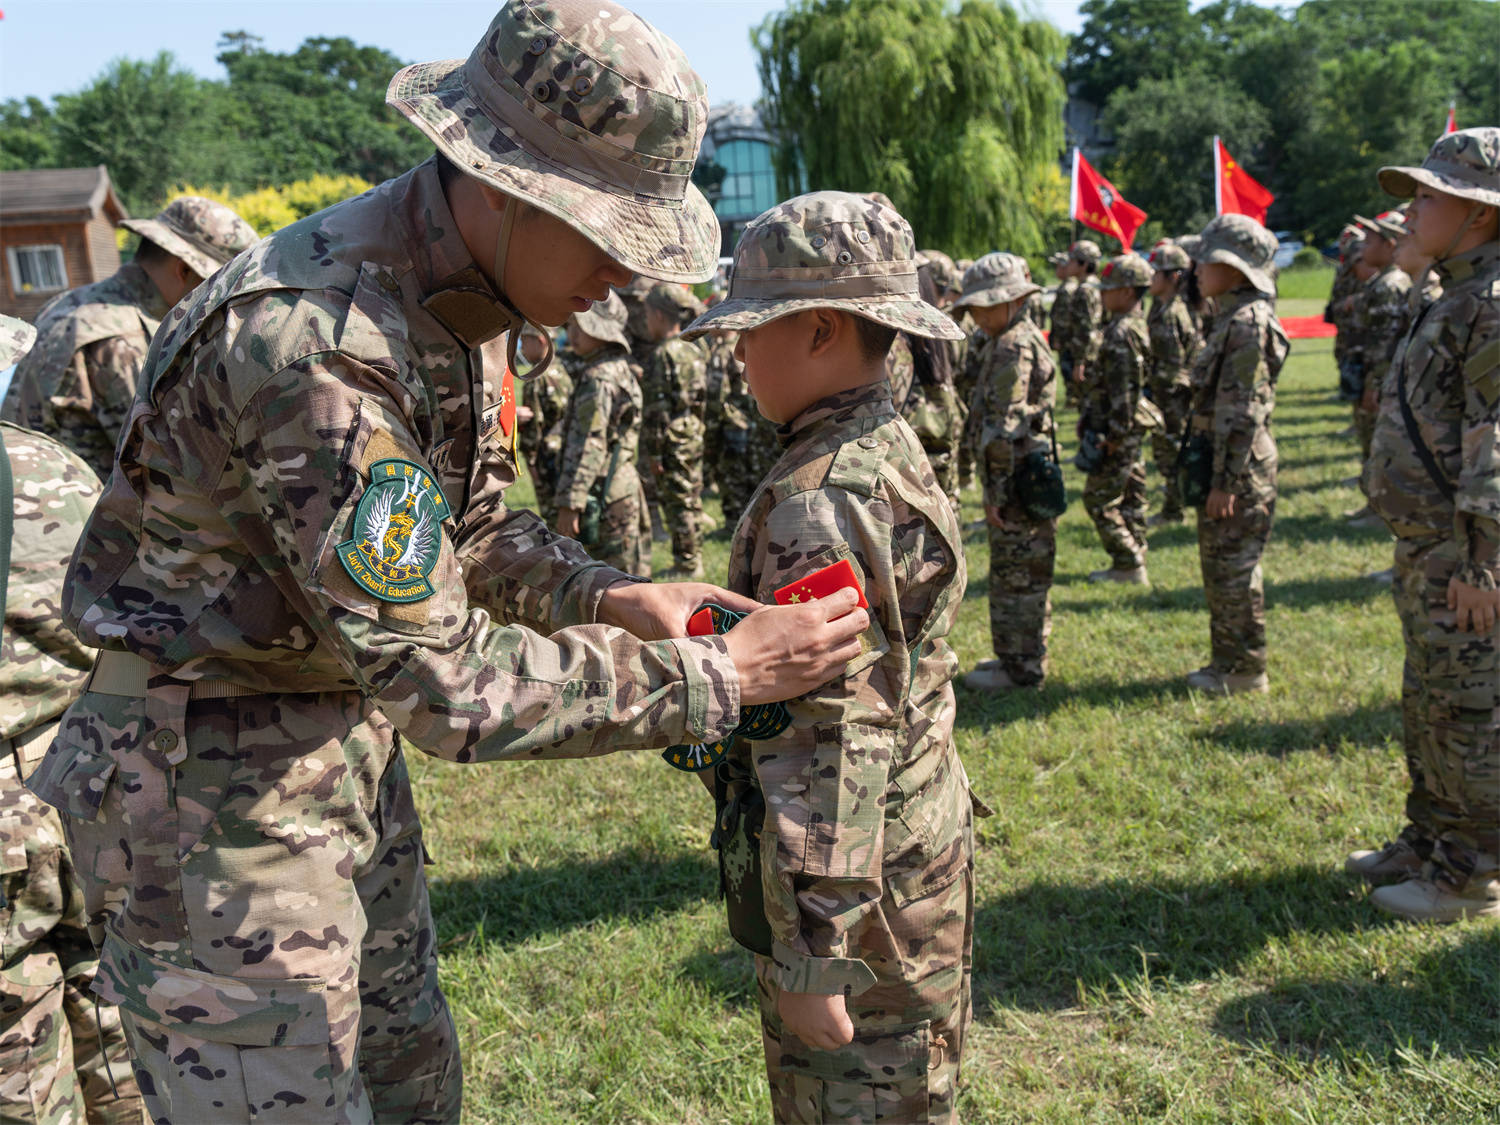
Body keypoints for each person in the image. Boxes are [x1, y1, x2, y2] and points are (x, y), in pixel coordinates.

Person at [22, 5, 871, 1121]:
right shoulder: (321, 345)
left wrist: (613, 593)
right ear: (505, 183)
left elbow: (462, 531)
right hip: (204, 804)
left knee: (411, 1088)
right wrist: (725, 679)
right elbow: (445, 684)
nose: (620, 276)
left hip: (328, 751)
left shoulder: (461, 304)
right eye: (607, 232)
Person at [681, 190, 977, 1124]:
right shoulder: (884, 440)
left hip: (859, 894)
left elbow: (836, 730)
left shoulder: (818, 499)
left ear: (818, 331)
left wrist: (815, 946)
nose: (736, 352)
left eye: (753, 328)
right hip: (907, 847)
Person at [1352, 126, 1499, 922]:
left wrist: (1484, 562)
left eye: (1430, 196)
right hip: (1428, 543)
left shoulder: (1492, 305)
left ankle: (1473, 873)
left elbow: (1496, 437)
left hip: (1467, 552)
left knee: (1472, 710)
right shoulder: (1451, 291)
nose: (1411, 210)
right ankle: (1431, 838)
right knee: (1430, 699)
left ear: (1479, 213)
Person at [0, 316, 145, 1124]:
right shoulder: (43, 469)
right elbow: (113, 626)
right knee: (120, 1021)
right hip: (83, 791)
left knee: (19, 1065)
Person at [1, 197, 258, 478]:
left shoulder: (70, 302)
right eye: (217, 287)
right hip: (78, 509)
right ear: (184, 271)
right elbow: (170, 467)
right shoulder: (123, 340)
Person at [1183, 214, 1288, 696]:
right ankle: (1229, 662)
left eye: (1210, 257)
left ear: (1237, 268)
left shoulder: (1247, 324)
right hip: (1228, 463)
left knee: (1235, 571)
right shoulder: (1230, 317)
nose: (1197, 265)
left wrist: (1226, 481)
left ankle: (1245, 669)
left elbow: (1242, 412)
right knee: (1221, 568)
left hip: (1239, 471)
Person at [953, 253, 1059, 691]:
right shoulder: (1014, 337)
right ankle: (1023, 655)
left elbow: (1004, 426)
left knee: (1016, 575)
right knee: (1027, 571)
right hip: (1026, 473)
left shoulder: (1012, 346)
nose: (975, 315)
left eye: (982, 305)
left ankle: (1020, 668)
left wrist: (995, 492)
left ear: (1010, 300)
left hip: (1016, 479)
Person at [553, 293, 649, 575]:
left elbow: (589, 444)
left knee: (614, 583)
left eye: (577, 326)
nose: (571, 333)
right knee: (632, 576)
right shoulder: (619, 369)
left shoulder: (599, 378)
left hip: (606, 495)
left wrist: (571, 502)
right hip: (622, 487)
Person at [1082, 254, 1154, 585]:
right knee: (1131, 491)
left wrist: (1114, 435)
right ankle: (1136, 549)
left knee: (1099, 499)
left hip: (1119, 429)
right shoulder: (1127, 326)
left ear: (1127, 292)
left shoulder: (1123, 331)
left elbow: (1125, 389)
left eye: (1109, 289)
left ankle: (1128, 561)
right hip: (1127, 427)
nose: (1102, 294)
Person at [641, 283, 710, 577]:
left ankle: (688, 563)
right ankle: (693, 555)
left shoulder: (662, 355)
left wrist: (654, 453)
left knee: (677, 502)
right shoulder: (693, 349)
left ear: (658, 315)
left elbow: (657, 413)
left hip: (670, 438)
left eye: (646, 315)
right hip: (692, 432)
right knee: (690, 496)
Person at [1145, 241, 1204, 527]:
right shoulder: (1161, 307)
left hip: (1171, 396)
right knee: (1169, 451)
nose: (1150, 278)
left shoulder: (1171, 314)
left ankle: (1173, 509)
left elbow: (1172, 365)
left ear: (1174, 277)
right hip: (1165, 393)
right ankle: (1174, 504)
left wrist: (1156, 394)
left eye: (1156, 273)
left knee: (1172, 452)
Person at [516, 324, 573, 525]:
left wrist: (531, 462)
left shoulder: (536, 378)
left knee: (554, 518)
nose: (521, 347)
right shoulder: (563, 370)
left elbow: (533, 428)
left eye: (525, 340)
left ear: (541, 341)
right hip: (567, 454)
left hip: (546, 460)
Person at [1058, 239, 1104, 407]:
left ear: (1084, 264)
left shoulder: (1084, 291)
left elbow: (1086, 328)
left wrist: (1079, 362)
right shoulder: (1097, 286)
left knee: (1090, 406)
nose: (1068, 264)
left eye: (1072, 260)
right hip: (1096, 351)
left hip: (1088, 356)